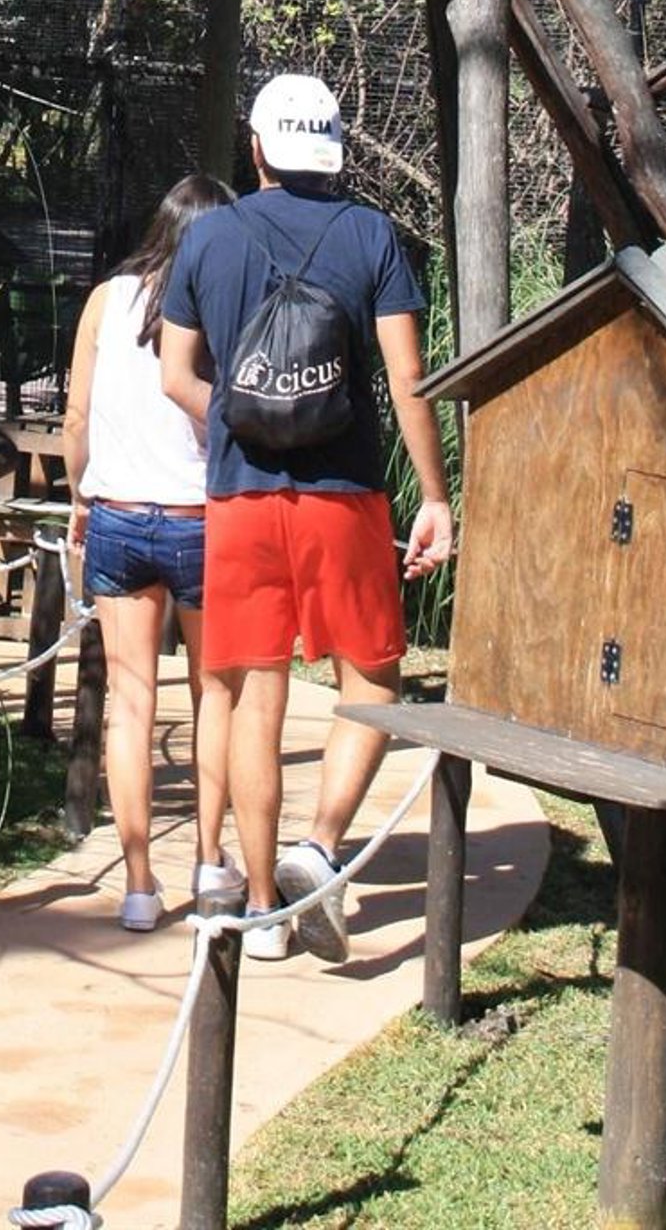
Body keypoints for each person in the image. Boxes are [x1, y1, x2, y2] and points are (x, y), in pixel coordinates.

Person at [160, 73, 453, 964]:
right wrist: (435, 495)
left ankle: (262, 911)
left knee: (255, 694)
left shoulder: (207, 237)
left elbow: (176, 374)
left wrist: (241, 418)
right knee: (374, 680)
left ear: (256, 149)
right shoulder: (370, 235)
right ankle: (319, 847)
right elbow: (407, 377)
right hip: (345, 494)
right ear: (333, 152)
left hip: (239, 499)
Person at [63, 174, 238, 931]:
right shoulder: (227, 301)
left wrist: (80, 495)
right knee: (214, 695)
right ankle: (209, 859)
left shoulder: (107, 300)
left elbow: (76, 418)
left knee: (130, 701)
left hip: (119, 515)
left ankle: (138, 884)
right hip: (203, 518)